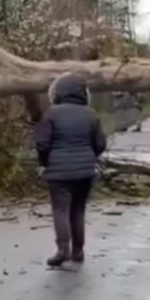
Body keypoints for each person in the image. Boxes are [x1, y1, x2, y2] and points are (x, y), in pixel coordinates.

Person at [35, 73, 107, 267]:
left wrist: (43, 164)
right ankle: (78, 250)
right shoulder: (91, 114)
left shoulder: (51, 113)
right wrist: (89, 156)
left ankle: (62, 249)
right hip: (85, 172)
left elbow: (42, 144)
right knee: (78, 210)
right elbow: (100, 143)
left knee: (61, 209)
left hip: (58, 172)